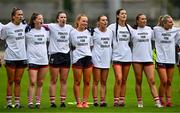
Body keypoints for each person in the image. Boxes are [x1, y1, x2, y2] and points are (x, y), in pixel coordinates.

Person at [132, 14, 162, 108]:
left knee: (152, 80)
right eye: (142, 19)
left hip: (148, 58)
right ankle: (140, 102)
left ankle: (157, 102)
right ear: (137, 21)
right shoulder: (133, 31)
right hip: (136, 59)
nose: (144, 20)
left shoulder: (150, 29)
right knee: (139, 80)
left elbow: (158, 36)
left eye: (145, 19)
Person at [0, 7, 27, 109]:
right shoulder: (7, 27)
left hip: (22, 57)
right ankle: (8, 103)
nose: (21, 16)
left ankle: (17, 103)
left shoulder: (24, 26)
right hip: (10, 57)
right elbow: (2, 38)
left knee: (18, 81)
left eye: (21, 15)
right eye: (18, 15)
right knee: (10, 80)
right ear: (13, 16)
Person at [47, 11, 73, 108]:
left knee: (64, 80)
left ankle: (62, 101)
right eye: (61, 17)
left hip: (66, 55)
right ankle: (52, 102)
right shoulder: (51, 26)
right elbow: (39, 24)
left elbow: (77, 32)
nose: (63, 19)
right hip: (55, 55)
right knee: (54, 79)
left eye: (65, 17)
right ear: (57, 19)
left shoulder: (69, 28)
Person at [153, 14, 180, 107]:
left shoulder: (176, 30)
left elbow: (177, 42)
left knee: (169, 81)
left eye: (172, 21)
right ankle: (161, 99)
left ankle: (169, 100)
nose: (172, 23)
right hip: (160, 59)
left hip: (171, 59)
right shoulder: (156, 30)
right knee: (164, 81)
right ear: (164, 23)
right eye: (170, 22)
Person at [108, 8, 133, 107]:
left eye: (125, 14)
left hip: (127, 57)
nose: (124, 15)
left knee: (124, 80)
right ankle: (115, 101)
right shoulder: (112, 27)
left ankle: (121, 100)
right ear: (117, 16)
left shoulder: (129, 28)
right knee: (119, 78)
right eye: (122, 14)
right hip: (116, 57)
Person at [26, 13, 49, 109]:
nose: (41, 20)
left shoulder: (46, 31)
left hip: (43, 60)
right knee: (32, 81)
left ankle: (38, 102)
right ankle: (30, 102)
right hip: (32, 59)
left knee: (40, 82)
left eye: (42, 18)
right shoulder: (28, 30)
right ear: (34, 20)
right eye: (39, 18)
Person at [70, 14, 93, 108]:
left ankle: (85, 102)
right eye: (83, 21)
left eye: (86, 21)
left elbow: (91, 45)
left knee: (87, 82)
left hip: (87, 57)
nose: (85, 23)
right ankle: (78, 102)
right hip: (77, 59)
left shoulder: (89, 32)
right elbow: (69, 45)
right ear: (78, 22)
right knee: (77, 82)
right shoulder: (72, 33)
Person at [92, 15, 113, 107]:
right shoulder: (94, 32)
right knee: (96, 81)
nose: (105, 22)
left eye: (106, 20)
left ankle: (103, 101)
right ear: (99, 22)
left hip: (106, 59)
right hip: (96, 59)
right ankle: (96, 100)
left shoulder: (110, 32)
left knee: (104, 81)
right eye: (103, 20)